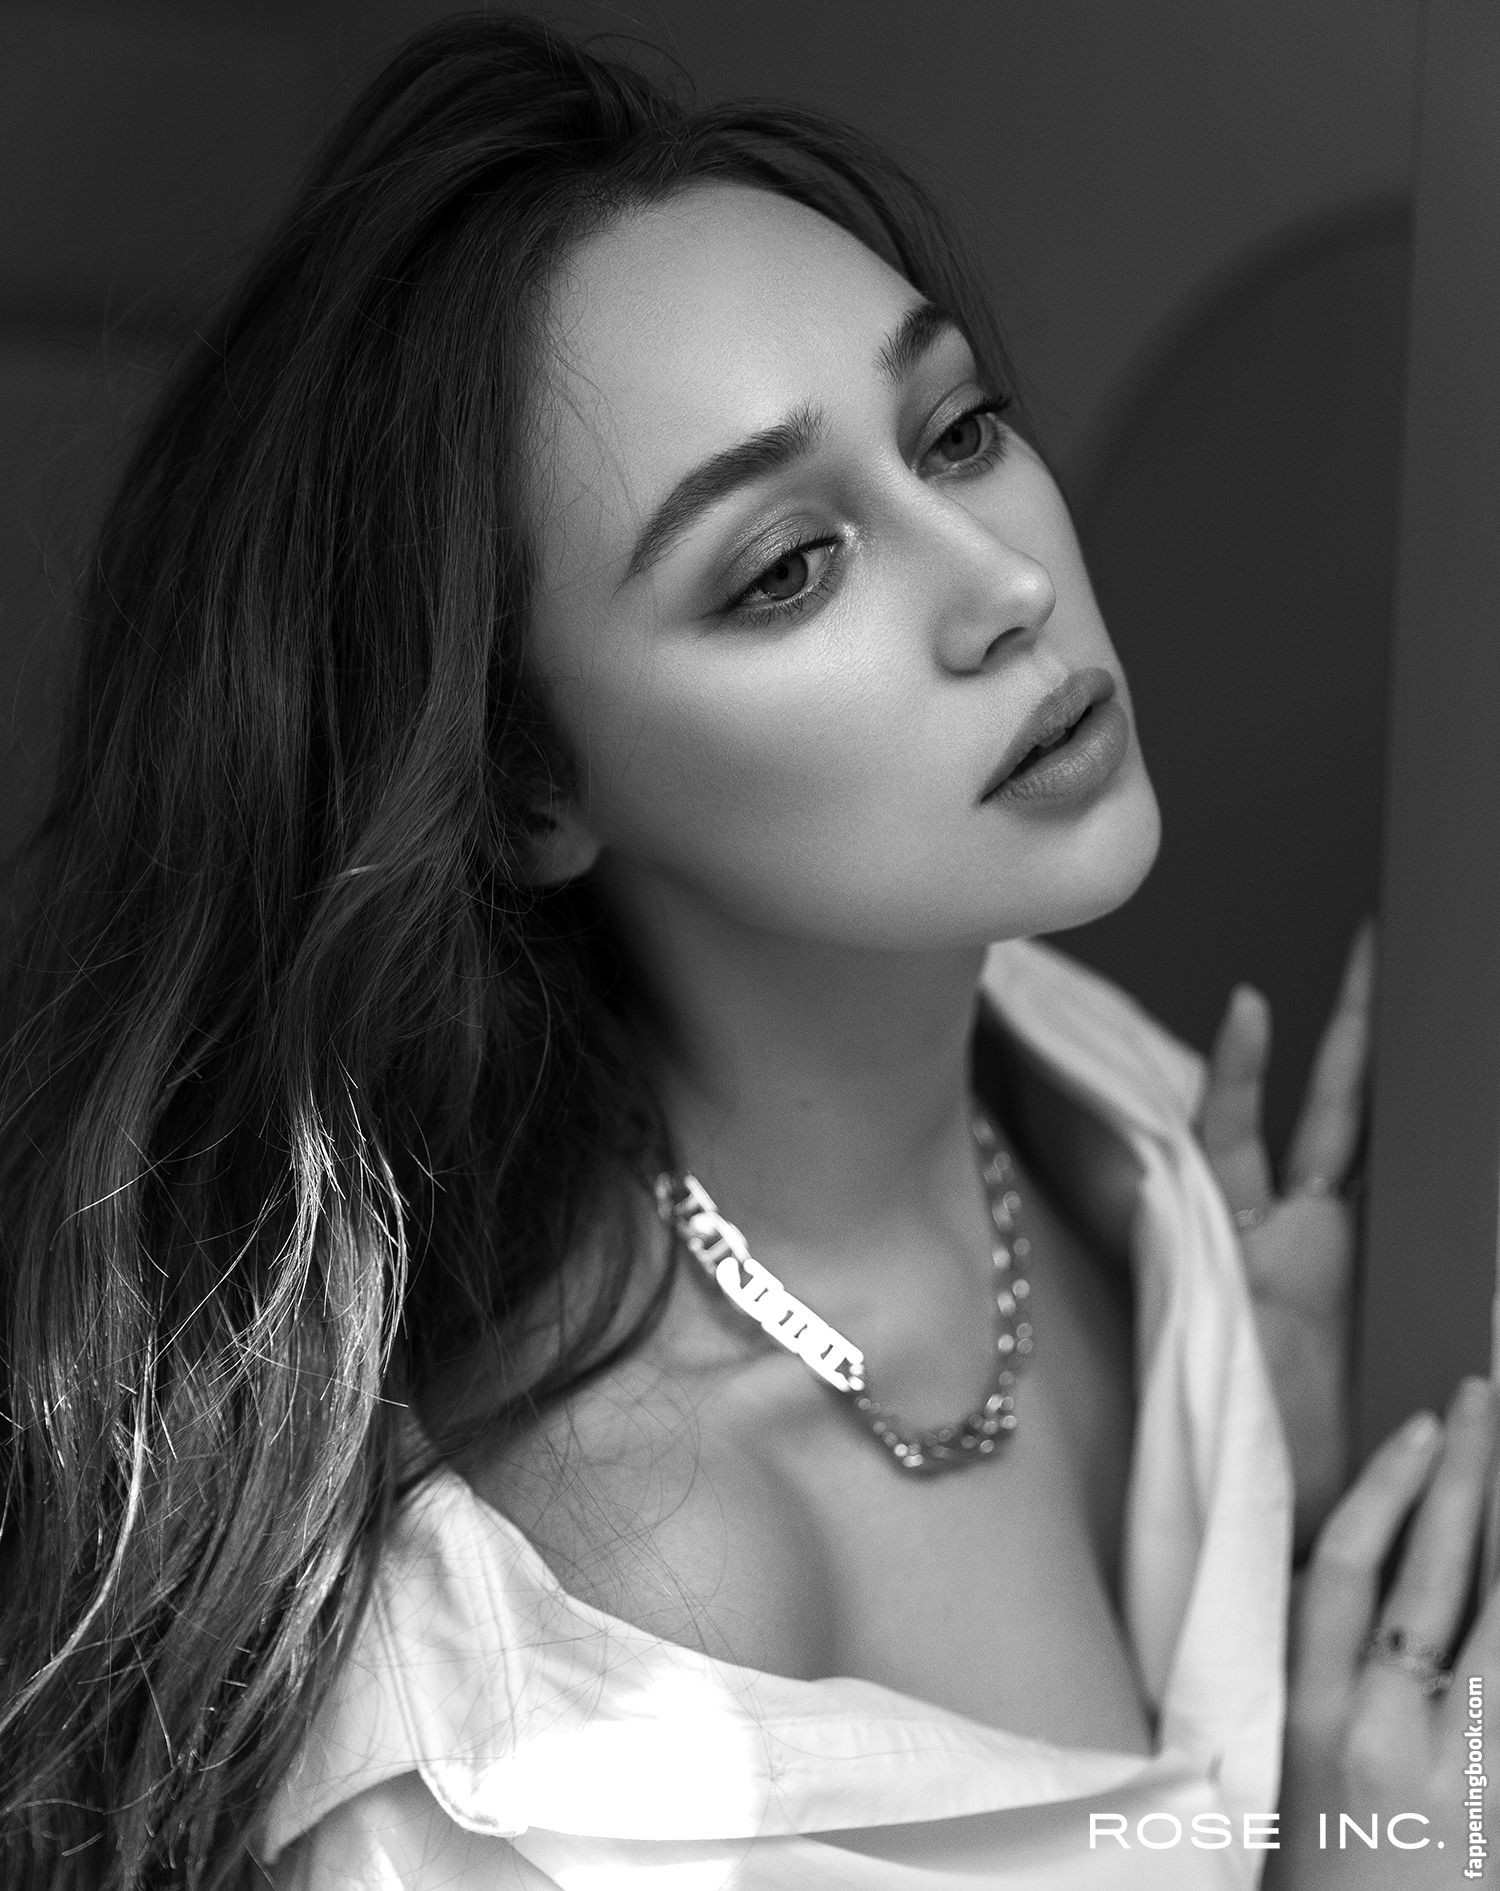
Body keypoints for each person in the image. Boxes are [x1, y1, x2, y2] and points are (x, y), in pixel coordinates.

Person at [0, 15, 1492, 1890]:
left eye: (959, 431)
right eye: (787, 566)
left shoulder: (1120, 1121)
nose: (1008, 583)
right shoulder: (576, 1731)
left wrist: (1273, 1506)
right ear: (533, 788)